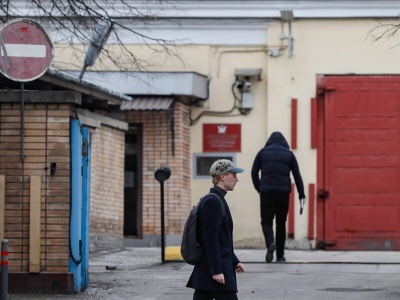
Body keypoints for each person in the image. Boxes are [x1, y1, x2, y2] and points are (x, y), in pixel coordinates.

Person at [187, 159, 246, 300]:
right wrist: (217, 271)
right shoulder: (212, 201)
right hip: (215, 271)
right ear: (223, 176)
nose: (237, 179)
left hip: (212, 269)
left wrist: (235, 261)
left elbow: (222, 238)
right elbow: (210, 239)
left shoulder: (218, 199)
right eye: (234, 175)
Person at [251, 131, 305, 263]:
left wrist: (259, 187)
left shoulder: (262, 153)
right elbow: (297, 176)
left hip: (267, 192)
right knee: (281, 224)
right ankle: (280, 256)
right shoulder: (289, 154)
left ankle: (270, 243)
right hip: (283, 193)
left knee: (266, 221)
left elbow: (253, 172)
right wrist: (301, 194)